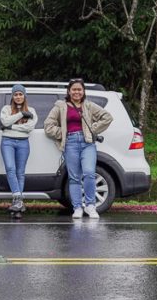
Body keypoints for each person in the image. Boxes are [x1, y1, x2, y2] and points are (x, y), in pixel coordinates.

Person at [44, 78, 113, 219]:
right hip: (70, 143)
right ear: (69, 91)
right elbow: (48, 126)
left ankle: (90, 206)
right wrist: (63, 133)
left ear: (83, 91)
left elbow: (107, 117)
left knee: (89, 173)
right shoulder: (60, 106)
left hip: (87, 143)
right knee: (74, 177)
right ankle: (77, 208)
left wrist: (92, 129)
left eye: (79, 89)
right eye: (74, 89)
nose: (76, 92)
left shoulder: (89, 106)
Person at [0, 84, 36, 215]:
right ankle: (18, 198)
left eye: (20, 94)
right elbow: (4, 122)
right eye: (16, 94)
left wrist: (11, 127)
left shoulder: (31, 110)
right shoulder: (6, 108)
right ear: (12, 96)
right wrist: (21, 114)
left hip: (23, 143)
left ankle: (17, 206)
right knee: (10, 168)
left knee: (20, 173)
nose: (18, 96)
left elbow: (29, 128)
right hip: (7, 142)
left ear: (24, 95)